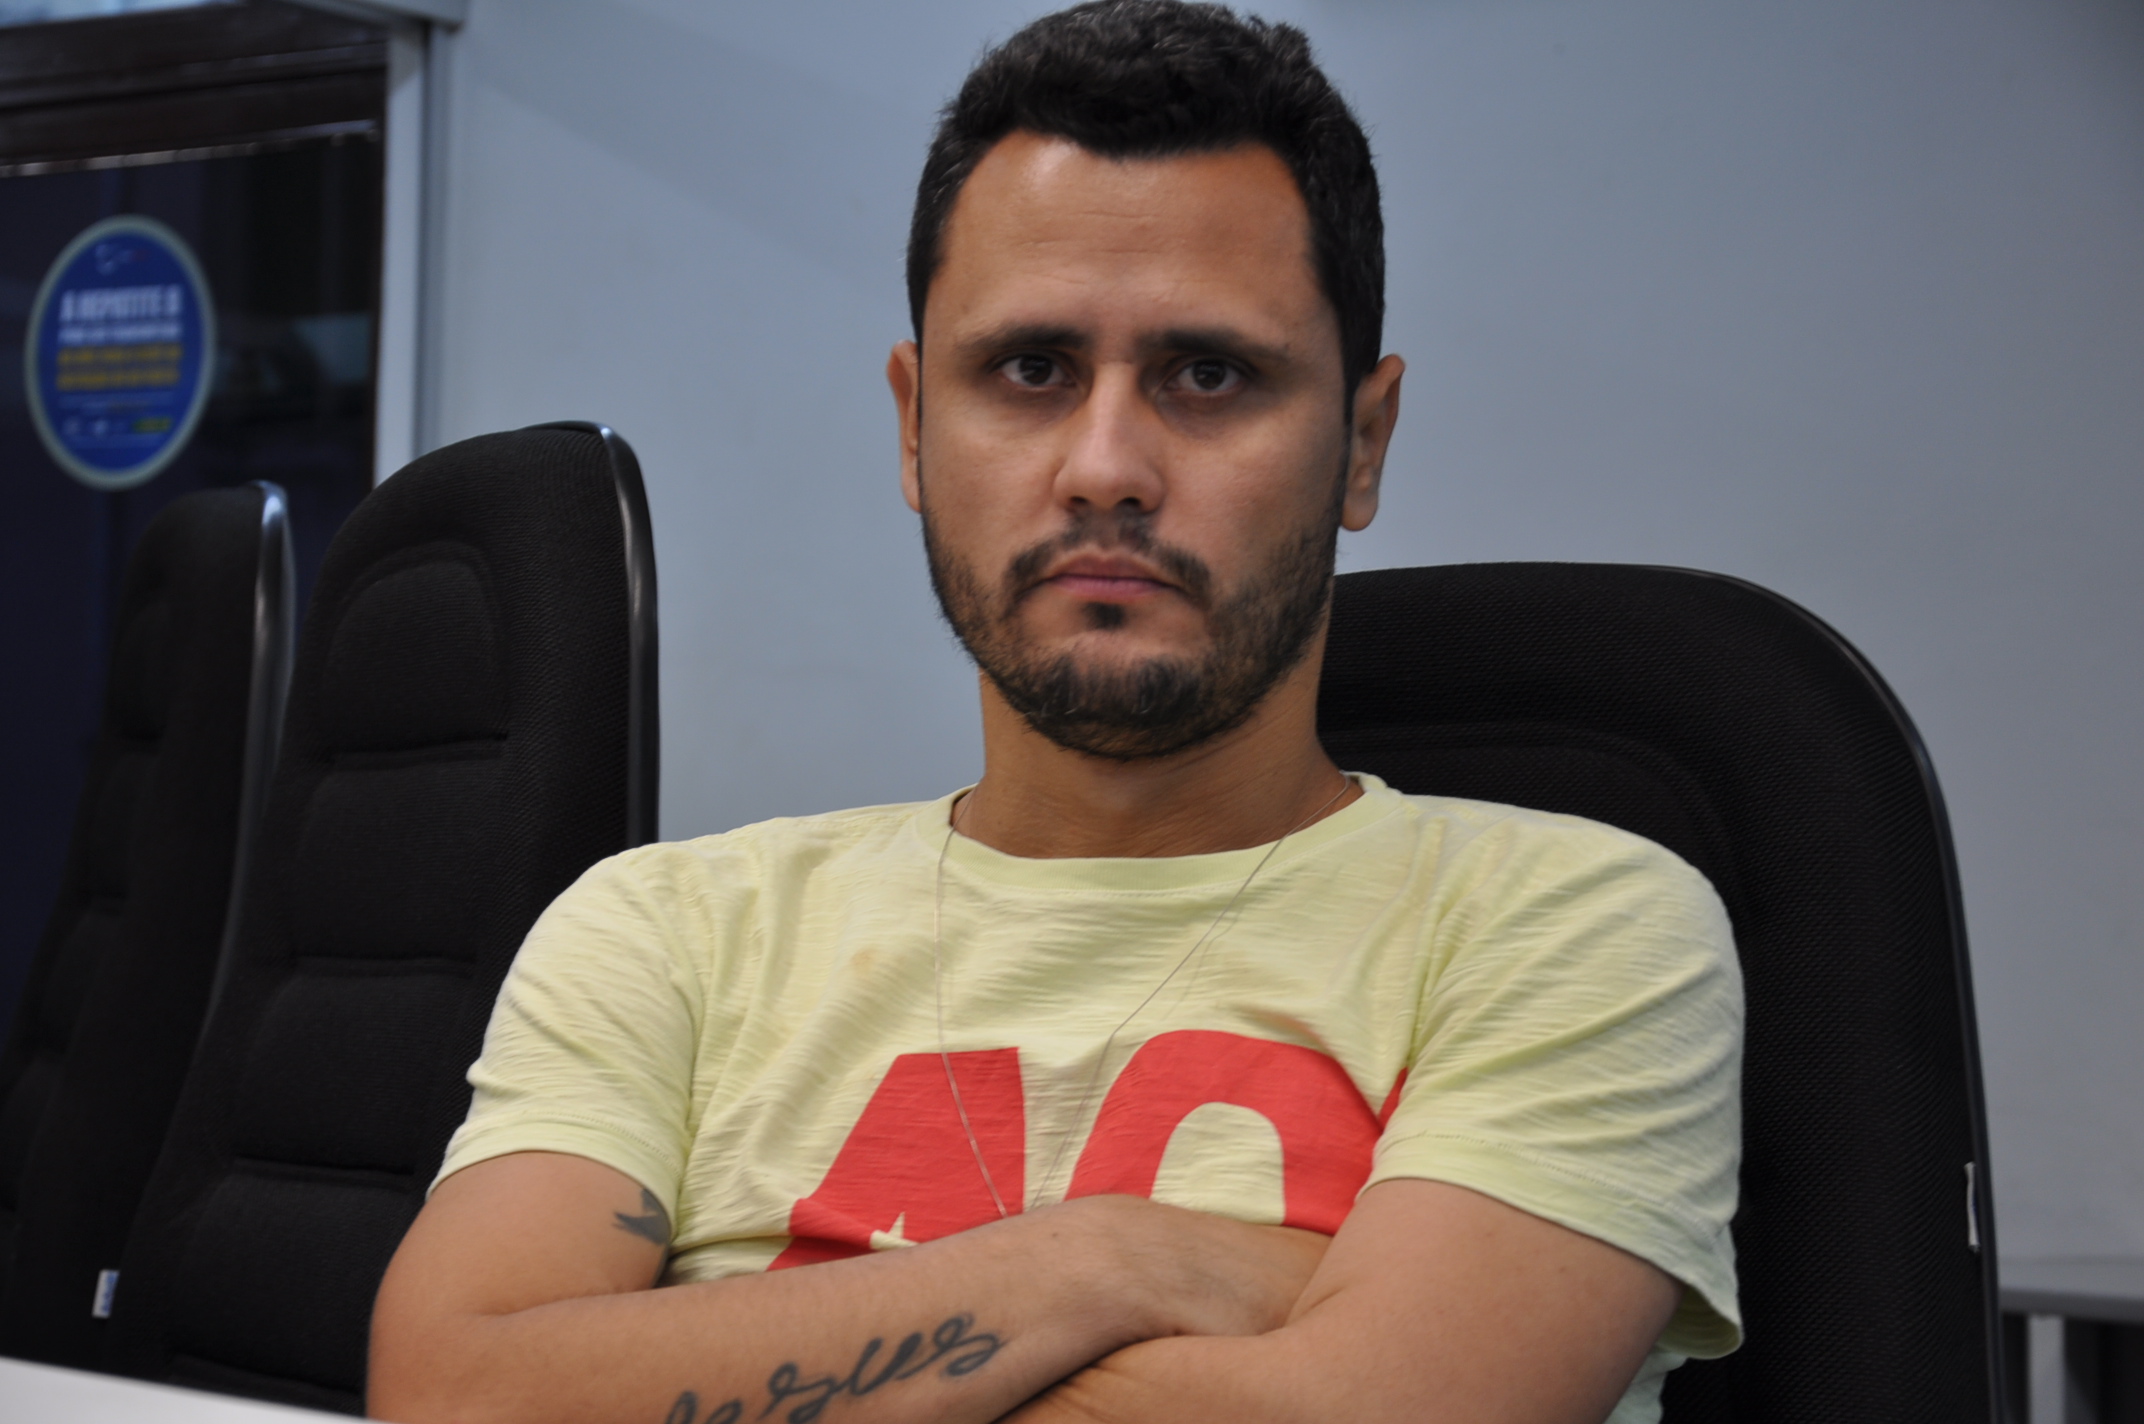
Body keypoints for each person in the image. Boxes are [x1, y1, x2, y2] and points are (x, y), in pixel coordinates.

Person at [367, 4, 1742, 1423]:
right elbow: (455, 1396)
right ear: (915, 425)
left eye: (1209, 374)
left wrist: (664, 1365)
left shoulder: (1574, 930)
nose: (1105, 467)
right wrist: (1109, 1261)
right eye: (1030, 370)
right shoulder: (666, 932)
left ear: (1362, 443)